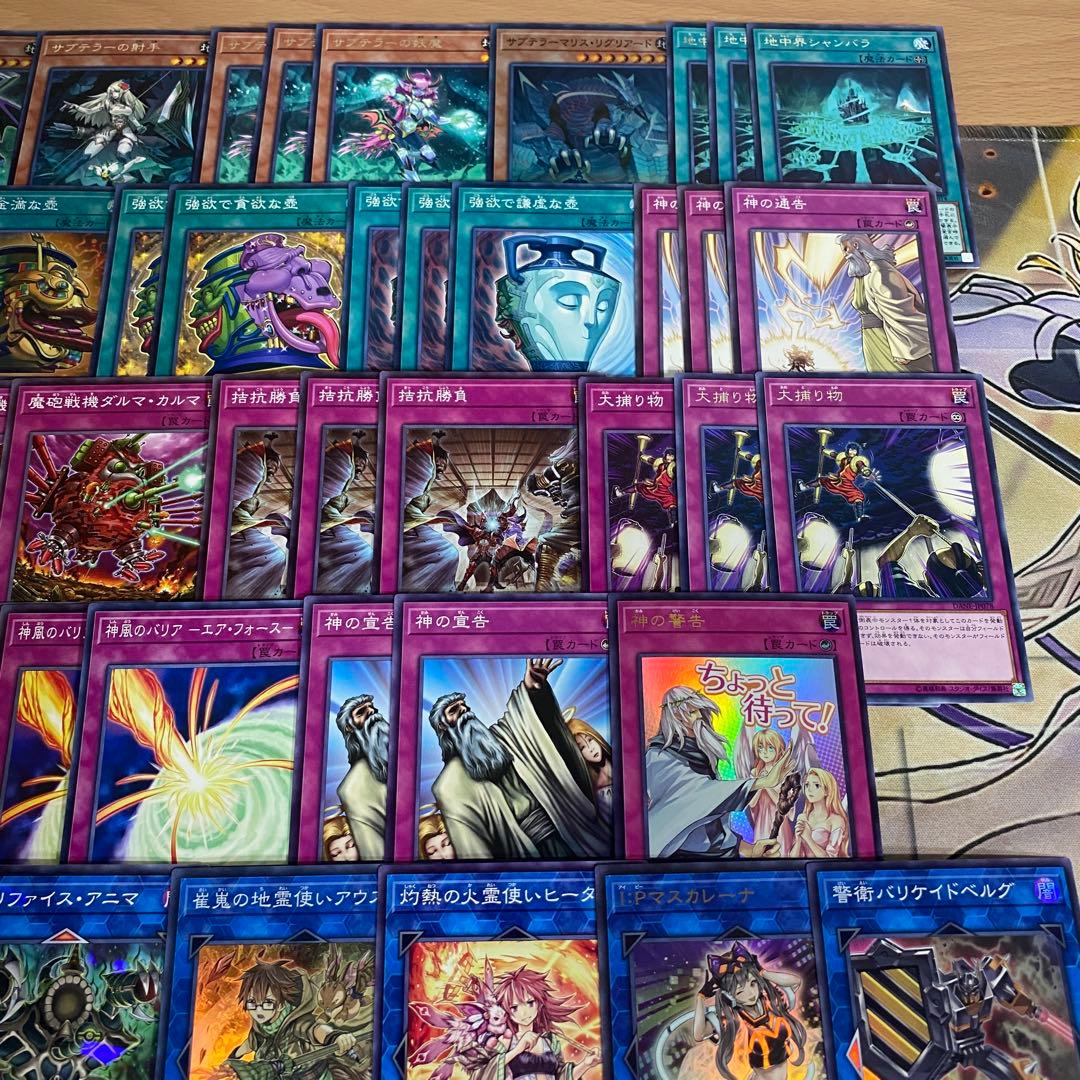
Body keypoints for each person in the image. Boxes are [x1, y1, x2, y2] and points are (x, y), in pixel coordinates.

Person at [428, 658, 609, 860]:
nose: (463, 710)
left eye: (464, 706)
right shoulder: (449, 785)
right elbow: (471, 847)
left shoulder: (501, 737)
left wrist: (532, 689)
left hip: (562, 827)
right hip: (523, 851)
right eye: (454, 710)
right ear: (442, 726)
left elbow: (524, 720)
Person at [645, 686, 793, 859]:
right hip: (677, 857)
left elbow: (713, 819)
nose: (699, 717)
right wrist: (760, 782)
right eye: (692, 712)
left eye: (700, 711)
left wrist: (750, 850)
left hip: (715, 856)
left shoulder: (701, 753)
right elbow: (696, 796)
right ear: (676, 717)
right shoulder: (658, 758)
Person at [223, 959, 366, 1078]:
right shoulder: (261, 1027)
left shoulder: (297, 1022)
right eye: (252, 1002)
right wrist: (232, 1058)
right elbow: (250, 1043)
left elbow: (316, 1030)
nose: (258, 1010)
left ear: (281, 1004)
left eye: (268, 1003)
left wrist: (335, 1037)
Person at [693, 944, 806, 1080]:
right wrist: (701, 998)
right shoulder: (733, 1019)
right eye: (740, 992)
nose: (750, 994)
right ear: (729, 996)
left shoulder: (772, 1003)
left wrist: (762, 972)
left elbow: (795, 982)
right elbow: (699, 1034)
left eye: (753, 983)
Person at [838, 232, 934, 373]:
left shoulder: (880, 272)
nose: (845, 255)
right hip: (873, 340)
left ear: (856, 245)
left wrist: (903, 349)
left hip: (890, 343)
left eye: (846, 249)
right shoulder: (864, 273)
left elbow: (899, 312)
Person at [482, 967, 599, 1080]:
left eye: (530, 1003)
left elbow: (561, 1076)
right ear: (506, 1010)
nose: (523, 1012)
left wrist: (586, 1064)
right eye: (514, 1007)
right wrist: (517, 1049)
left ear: (539, 1003)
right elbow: (485, 1074)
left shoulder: (550, 1041)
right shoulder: (506, 1041)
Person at [876, 513, 987, 600]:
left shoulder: (914, 601)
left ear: (927, 578)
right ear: (980, 577)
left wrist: (911, 532)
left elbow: (885, 562)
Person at [334, 693, 389, 861]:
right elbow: (374, 852)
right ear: (349, 728)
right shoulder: (353, 789)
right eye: (361, 712)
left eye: (371, 707)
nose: (372, 712)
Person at [564, 712, 613, 826]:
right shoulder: (597, 790)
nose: (591, 748)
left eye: (590, 740)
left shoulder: (621, 760)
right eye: (582, 747)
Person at [791, 768, 850, 858]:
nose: (809, 789)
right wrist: (798, 839)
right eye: (807, 785)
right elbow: (793, 857)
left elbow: (831, 859)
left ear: (827, 791)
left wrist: (808, 838)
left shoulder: (836, 820)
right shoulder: (802, 817)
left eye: (816, 785)